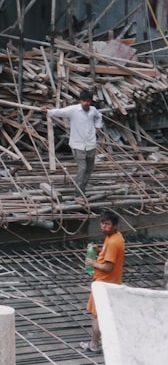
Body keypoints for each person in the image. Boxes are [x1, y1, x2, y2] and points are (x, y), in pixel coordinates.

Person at [82, 209, 125, 353]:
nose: (103, 227)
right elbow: (108, 255)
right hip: (111, 282)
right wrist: (99, 249)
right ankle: (108, 341)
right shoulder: (114, 236)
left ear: (115, 225)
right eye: (102, 223)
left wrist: (92, 263)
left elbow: (108, 267)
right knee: (106, 314)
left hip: (103, 282)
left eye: (107, 224)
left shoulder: (113, 242)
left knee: (97, 316)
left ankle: (94, 344)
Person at [47, 89, 103, 192]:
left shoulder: (93, 110)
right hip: (78, 145)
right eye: (84, 101)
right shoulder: (73, 110)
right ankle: (78, 193)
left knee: (89, 170)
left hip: (91, 144)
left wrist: (97, 127)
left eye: (88, 101)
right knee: (82, 169)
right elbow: (60, 112)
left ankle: (83, 189)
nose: (86, 103)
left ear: (91, 101)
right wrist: (48, 111)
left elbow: (99, 117)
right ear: (80, 101)